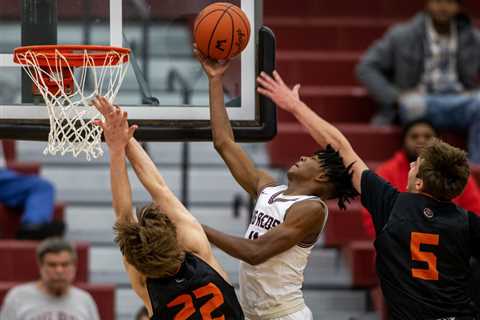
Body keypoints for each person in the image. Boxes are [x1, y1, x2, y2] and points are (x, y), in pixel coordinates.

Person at [257, 70, 480, 319]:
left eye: (415, 165)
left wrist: (295, 106)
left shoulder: (392, 205)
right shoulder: (468, 223)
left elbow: (341, 148)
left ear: (419, 184)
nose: (409, 166)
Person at [194, 48, 358, 320]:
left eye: (313, 158)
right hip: (254, 313)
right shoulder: (269, 188)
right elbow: (224, 143)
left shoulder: (312, 210)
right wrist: (214, 80)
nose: (304, 157)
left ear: (322, 177)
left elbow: (255, 252)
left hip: (283, 315)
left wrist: (197, 228)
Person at [91, 97, 244, 319]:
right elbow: (159, 188)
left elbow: (123, 214)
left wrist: (117, 149)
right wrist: (121, 141)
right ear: (175, 240)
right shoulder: (196, 250)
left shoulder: (144, 281)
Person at [356, 0, 480, 162]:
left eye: (449, 1)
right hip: (420, 102)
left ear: (458, 6)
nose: (443, 6)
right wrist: (395, 97)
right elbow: (366, 67)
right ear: (428, 3)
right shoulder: (402, 35)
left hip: (461, 102)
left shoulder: (473, 38)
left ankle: (476, 169)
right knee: (412, 105)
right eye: (438, 0)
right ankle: (418, 170)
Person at [361, 119, 480, 238]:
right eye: (414, 136)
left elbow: (475, 209)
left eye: (428, 136)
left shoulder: (455, 171)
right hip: (398, 247)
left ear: (439, 141)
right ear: (404, 141)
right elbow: (372, 214)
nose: (421, 140)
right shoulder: (386, 171)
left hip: (449, 245)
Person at [0, 238, 100, 319]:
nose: (59, 271)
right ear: (41, 267)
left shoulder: (84, 300)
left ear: (74, 267)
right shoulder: (18, 298)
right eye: (52, 265)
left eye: (65, 265)